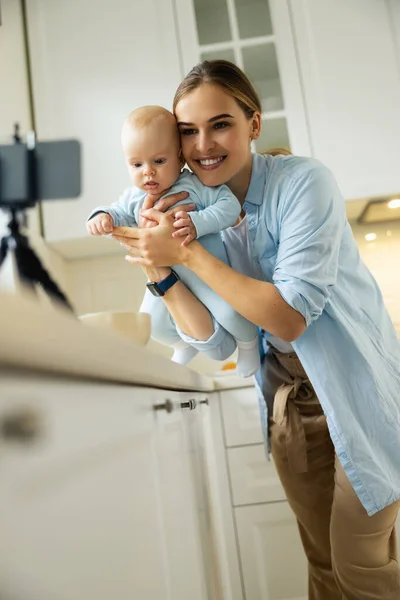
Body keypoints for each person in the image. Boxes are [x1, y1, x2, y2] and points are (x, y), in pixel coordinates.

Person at [111, 60, 400, 600]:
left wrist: (186, 252)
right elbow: (217, 342)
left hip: (360, 390)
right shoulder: (184, 206)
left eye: (220, 124)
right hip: (287, 401)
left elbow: (290, 316)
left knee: (362, 567)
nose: (202, 145)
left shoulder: (303, 183)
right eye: (188, 132)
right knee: (324, 566)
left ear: (254, 123)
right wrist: (159, 270)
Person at [86, 105, 260, 376]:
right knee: (151, 323)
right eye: (137, 164)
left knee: (231, 314)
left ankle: (249, 346)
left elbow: (228, 205)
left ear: (179, 158)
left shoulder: (195, 186)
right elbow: (116, 212)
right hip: (168, 275)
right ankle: (182, 344)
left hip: (205, 273)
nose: (148, 172)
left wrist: (197, 223)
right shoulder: (133, 197)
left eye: (159, 161)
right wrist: (101, 216)